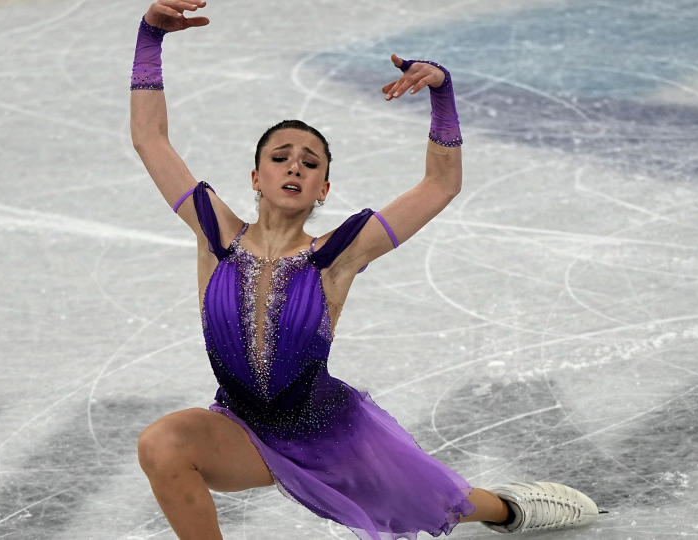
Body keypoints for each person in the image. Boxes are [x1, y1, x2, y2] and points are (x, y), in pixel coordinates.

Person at [130, 1, 600, 538]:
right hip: (244, 429)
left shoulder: (338, 255)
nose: (294, 167)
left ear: (323, 189)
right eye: (280, 157)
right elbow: (151, 139)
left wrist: (442, 94)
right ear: (255, 177)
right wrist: (150, 39)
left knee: (447, 503)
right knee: (161, 443)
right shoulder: (214, 235)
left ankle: (512, 509)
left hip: (334, 437)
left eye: (310, 164)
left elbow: (441, 186)